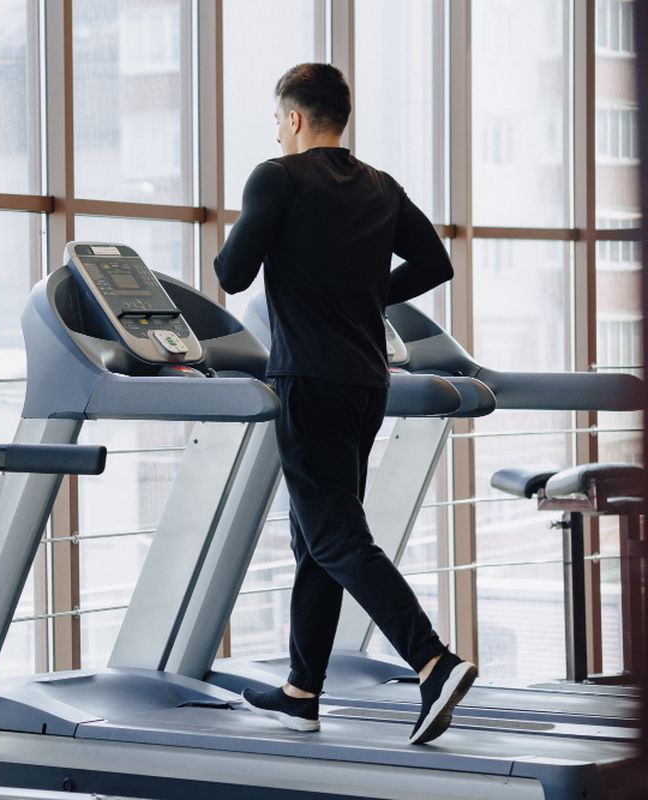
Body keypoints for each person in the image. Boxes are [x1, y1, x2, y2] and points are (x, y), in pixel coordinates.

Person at [214, 62, 475, 746]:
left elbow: (231, 273)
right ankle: (302, 690)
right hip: (366, 383)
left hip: (307, 377)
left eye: (278, 120)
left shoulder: (277, 177)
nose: (277, 130)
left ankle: (432, 660)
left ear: (295, 118)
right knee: (317, 536)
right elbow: (434, 265)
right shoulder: (381, 187)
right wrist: (358, 293)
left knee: (332, 533)